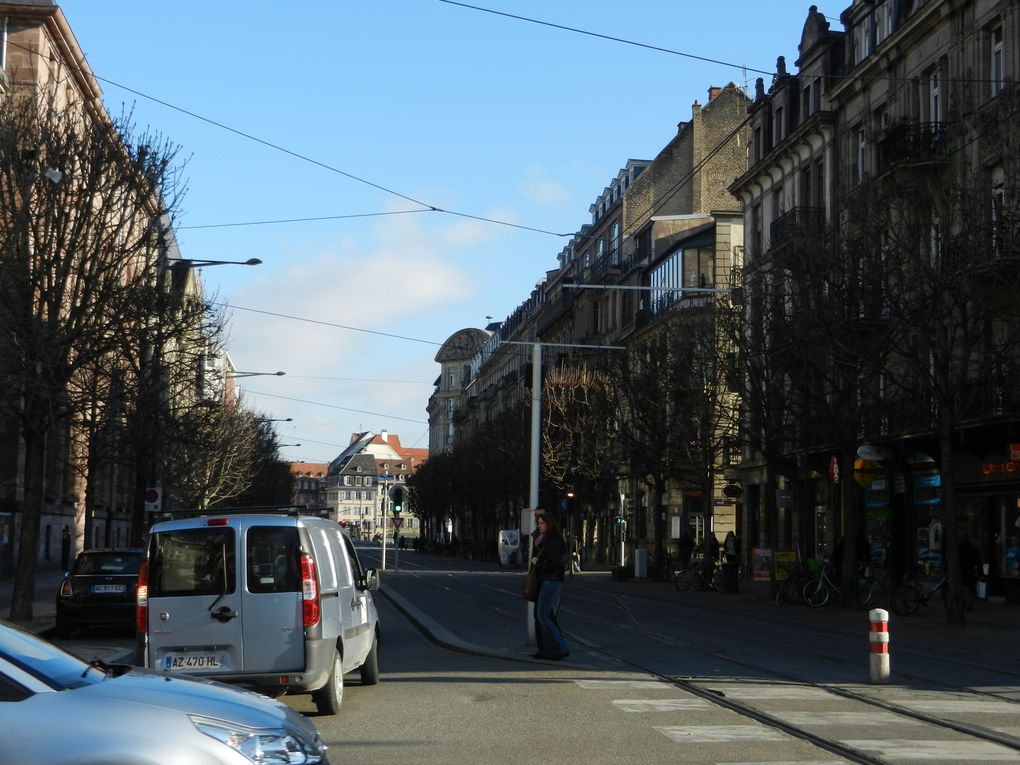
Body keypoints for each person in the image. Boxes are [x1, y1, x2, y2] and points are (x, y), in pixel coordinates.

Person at [530, 511, 569, 660]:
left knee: (543, 616)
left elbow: (554, 564)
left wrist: (537, 563)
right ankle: (549, 648)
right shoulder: (545, 539)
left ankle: (560, 647)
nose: (539, 526)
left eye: (542, 523)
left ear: (549, 524)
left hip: (550, 581)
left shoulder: (552, 541)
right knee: (544, 616)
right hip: (548, 581)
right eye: (538, 523)